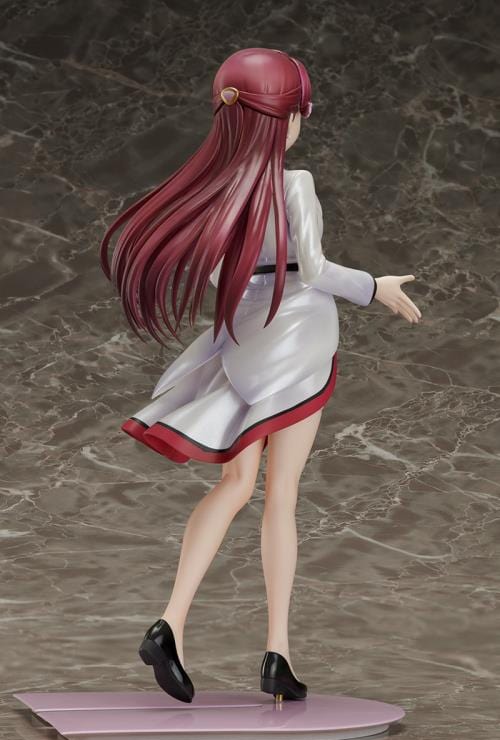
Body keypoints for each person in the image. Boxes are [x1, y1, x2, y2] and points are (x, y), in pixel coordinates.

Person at [100, 47, 421, 704]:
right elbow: (317, 268)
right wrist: (375, 286)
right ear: (285, 118)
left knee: (236, 483)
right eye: (298, 111)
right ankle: (277, 652)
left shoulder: (217, 193)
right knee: (282, 497)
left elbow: (223, 278)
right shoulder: (293, 183)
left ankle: (170, 623)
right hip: (297, 341)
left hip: (243, 339)